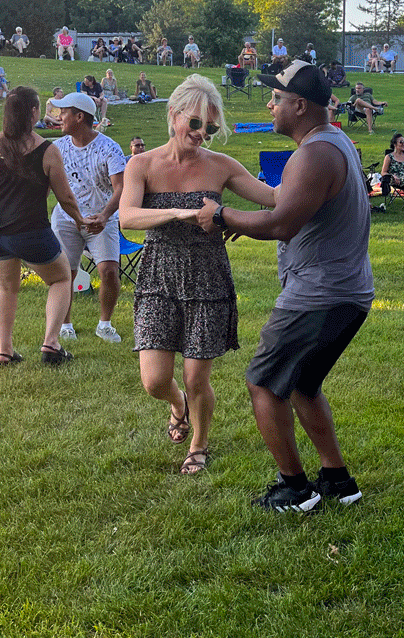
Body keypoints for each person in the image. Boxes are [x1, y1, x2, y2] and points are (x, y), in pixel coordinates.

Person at [197, 59, 372, 510]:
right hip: (345, 292)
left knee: (263, 384)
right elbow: (285, 204)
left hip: (319, 295)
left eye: (276, 98)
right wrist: (241, 207)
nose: (270, 105)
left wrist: (220, 216)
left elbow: (281, 223)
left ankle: (295, 489)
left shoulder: (313, 154)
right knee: (302, 384)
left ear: (299, 105)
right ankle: (337, 480)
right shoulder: (332, 143)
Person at [119, 75, 277, 475]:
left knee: (196, 376)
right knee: (155, 380)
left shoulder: (221, 166)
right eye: (195, 123)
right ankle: (177, 406)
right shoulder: (141, 164)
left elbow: (273, 199)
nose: (201, 134)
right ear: (173, 115)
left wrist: (243, 219)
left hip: (207, 277)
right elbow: (127, 218)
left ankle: (199, 443)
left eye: (209, 128)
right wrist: (179, 212)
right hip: (158, 276)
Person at [0, 87, 90, 366]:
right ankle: (51, 344)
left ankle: (5, 351)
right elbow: (65, 197)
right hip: (27, 228)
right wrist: (81, 221)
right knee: (61, 278)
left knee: (5, 287)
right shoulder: (47, 150)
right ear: (34, 112)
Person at [49, 92, 127, 344]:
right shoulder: (57, 148)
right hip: (66, 218)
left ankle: (104, 324)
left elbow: (121, 188)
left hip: (101, 218)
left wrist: (104, 216)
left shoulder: (108, 147)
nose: (59, 117)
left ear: (79, 117)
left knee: (109, 271)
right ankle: (65, 325)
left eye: (64, 112)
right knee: (65, 274)